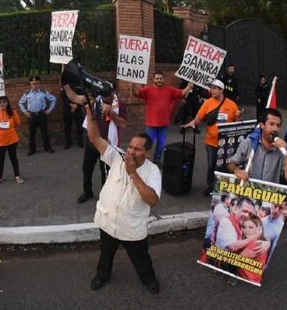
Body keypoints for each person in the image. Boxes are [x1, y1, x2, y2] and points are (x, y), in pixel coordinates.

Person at [84, 101, 162, 294]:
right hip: (108, 221)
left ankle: (148, 279)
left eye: (137, 149)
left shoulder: (153, 172)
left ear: (147, 152)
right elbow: (94, 138)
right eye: (130, 147)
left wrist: (133, 173)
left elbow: (152, 200)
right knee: (106, 254)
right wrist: (89, 111)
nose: (131, 152)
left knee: (141, 257)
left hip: (131, 227)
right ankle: (103, 275)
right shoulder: (116, 156)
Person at [182, 79, 241, 196]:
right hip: (211, 142)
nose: (211, 90)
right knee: (212, 164)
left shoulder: (231, 104)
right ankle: (210, 185)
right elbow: (198, 118)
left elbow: (237, 123)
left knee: (225, 165)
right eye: (211, 88)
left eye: (214, 88)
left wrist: (239, 117)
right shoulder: (208, 102)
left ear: (221, 90)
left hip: (226, 143)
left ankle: (223, 186)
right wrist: (192, 123)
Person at [131, 70, 193, 165]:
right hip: (151, 124)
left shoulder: (170, 90)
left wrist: (188, 86)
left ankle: (157, 161)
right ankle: (144, 162)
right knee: (147, 145)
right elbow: (137, 93)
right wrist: (133, 85)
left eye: (160, 78)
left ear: (163, 79)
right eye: (157, 78)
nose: (159, 80)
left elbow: (182, 93)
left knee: (161, 145)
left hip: (164, 124)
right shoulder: (148, 90)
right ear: (153, 80)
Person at [228, 108, 287, 185]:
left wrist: (286, 156)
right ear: (262, 125)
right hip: (247, 192)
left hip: (270, 194)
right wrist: (237, 170)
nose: (275, 129)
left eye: (278, 125)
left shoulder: (284, 148)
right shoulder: (249, 142)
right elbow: (231, 164)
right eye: (271, 124)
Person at [0, 96, 24, 186]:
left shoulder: (13, 112)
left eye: (4, 102)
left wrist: (11, 130)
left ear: (7, 103)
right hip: (0, 141)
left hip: (12, 140)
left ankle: (17, 176)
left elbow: (18, 124)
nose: (2, 104)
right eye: (0, 102)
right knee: (0, 160)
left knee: (13, 159)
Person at [18, 76, 57, 156]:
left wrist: (49, 109)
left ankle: (47, 147)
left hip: (41, 115)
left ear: (39, 83)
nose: (35, 85)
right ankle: (32, 149)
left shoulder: (43, 92)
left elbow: (53, 99)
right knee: (32, 133)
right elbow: (20, 102)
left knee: (44, 132)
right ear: (30, 84)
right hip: (31, 116)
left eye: (37, 83)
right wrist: (25, 112)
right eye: (33, 84)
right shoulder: (27, 93)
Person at [237, 214, 268, 284]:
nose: (246, 230)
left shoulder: (253, 244)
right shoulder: (261, 241)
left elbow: (235, 260)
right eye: (244, 227)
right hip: (254, 278)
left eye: (250, 227)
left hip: (247, 278)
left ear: (258, 229)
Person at [261, 198, 287, 263]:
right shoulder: (262, 220)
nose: (276, 210)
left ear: (285, 208)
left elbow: (272, 253)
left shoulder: (281, 229)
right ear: (271, 204)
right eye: (275, 206)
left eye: (280, 208)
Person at [61, 84, 84, 149]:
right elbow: (63, 98)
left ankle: (80, 142)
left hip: (78, 108)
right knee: (67, 126)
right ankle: (67, 142)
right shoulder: (64, 87)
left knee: (79, 126)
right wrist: (71, 105)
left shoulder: (78, 86)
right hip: (67, 109)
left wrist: (76, 105)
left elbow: (81, 96)